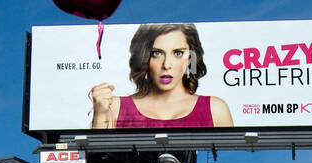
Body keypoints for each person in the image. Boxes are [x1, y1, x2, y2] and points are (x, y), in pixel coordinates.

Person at [90, 23, 234, 129]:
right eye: (157, 53)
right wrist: (100, 115)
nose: (166, 64)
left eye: (178, 53)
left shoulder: (215, 110)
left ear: (191, 58)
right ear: (144, 57)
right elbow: (95, 162)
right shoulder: (115, 107)